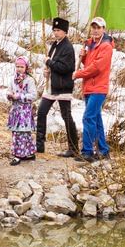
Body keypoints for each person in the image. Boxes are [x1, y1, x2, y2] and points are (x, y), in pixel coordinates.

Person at [36, 17, 79, 159]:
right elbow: (53, 64)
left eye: (58, 30)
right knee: (41, 112)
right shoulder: (55, 44)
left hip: (62, 87)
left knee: (66, 116)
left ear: (65, 32)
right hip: (52, 85)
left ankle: (73, 148)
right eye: (54, 30)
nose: (55, 33)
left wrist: (50, 62)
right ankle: (39, 146)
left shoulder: (68, 47)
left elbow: (66, 67)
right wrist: (47, 69)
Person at [75, 17, 114, 163]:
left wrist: (77, 74)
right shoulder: (90, 44)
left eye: (98, 28)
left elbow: (96, 68)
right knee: (96, 120)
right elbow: (89, 63)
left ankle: (87, 151)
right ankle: (103, 151)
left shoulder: (106, 47)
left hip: (99, 88)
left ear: (104, 29)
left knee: (88, 117)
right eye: (93, 28)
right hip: (89, 87)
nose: (96, 30)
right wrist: (83, 57)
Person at [7, 56, 39, 164]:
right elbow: (9, 90)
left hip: (24, 111)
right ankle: (28, 153)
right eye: (17, 66)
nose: (19, 69)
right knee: (17, 131)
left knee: (22, 133)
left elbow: (34, 95)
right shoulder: (13, 79)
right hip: (15, 110)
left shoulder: (29, 80)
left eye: (21, 66)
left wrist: (20, 96)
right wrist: (9, 95)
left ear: (26, 67)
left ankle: (18, 155)